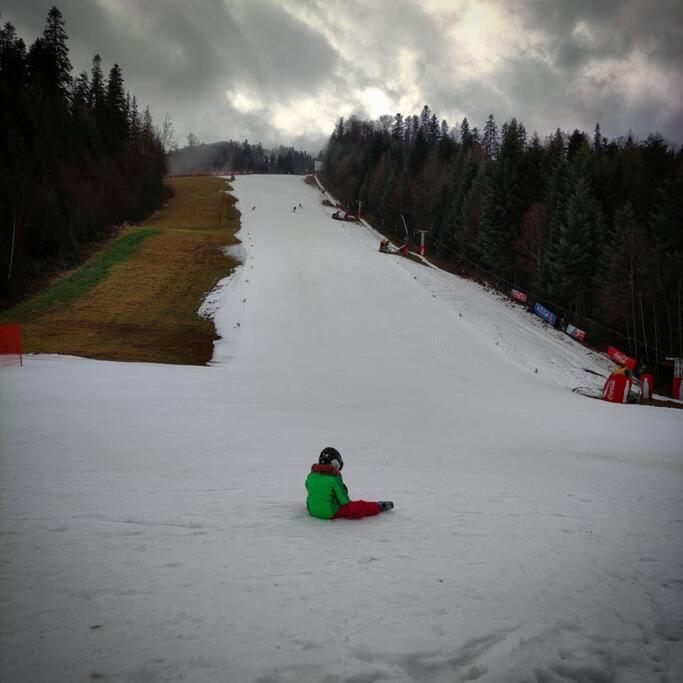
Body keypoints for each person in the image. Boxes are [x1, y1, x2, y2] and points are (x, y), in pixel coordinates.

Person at [305, 447, 393, 520]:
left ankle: (318, 507)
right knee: (358, 506)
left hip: (312, 511)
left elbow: (311, 490)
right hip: (329, 513)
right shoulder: (334, 477)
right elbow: (344, 501)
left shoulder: (311, 476)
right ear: (334, 464)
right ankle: (378, 507)